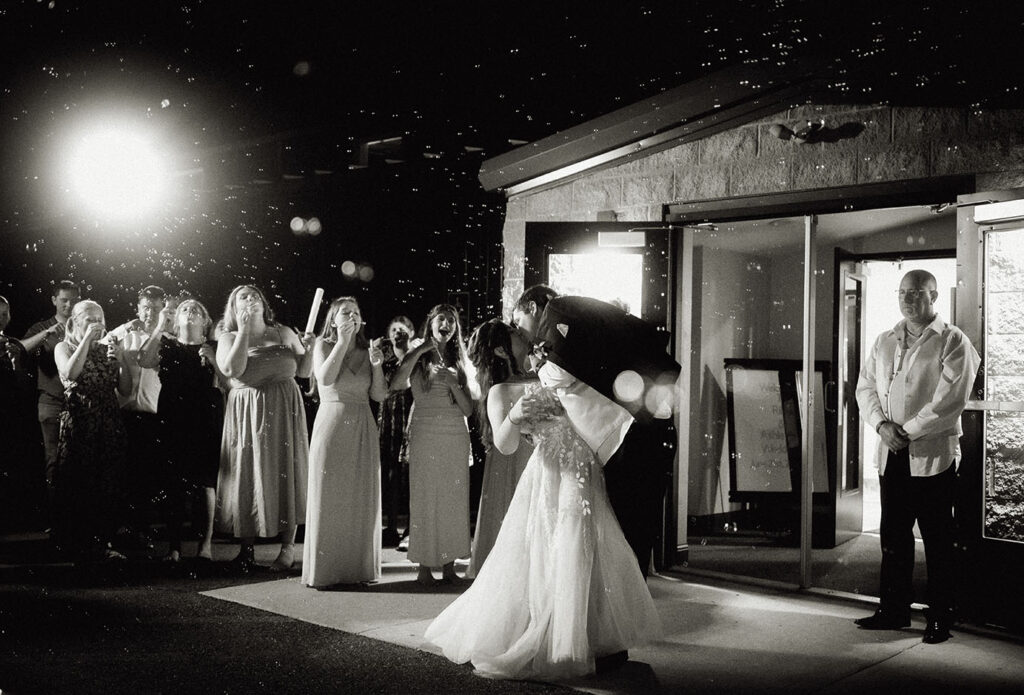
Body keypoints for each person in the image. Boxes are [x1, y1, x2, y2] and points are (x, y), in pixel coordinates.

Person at [423, 351, 660, 680]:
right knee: (546, 554)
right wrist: (516, 415)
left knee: (582, 553)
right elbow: (504, 445)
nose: (534, 349)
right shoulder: (502, 391)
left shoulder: (573, 381)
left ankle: (583, 640)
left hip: (586, 479)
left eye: (541, 345)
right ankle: (548, 639)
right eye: (527, 340)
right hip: (547, 479)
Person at [513, 285, 680, 580]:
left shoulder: (556, 314)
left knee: (628, 518)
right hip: (637, 428)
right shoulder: (576, 316)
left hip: (623, 434)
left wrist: (539, 365)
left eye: (518, 321)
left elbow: (562, 373)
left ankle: (628, 592)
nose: (521, 331)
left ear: (532, 307)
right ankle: (631, 586)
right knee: (637, 516)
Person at [854, 270, 980, 644]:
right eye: (904, 293)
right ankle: (893, 610)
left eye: (917, 293)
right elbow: (865, 388)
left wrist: (906, 431)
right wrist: (881, 426)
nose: (909, 300)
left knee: (938, 539)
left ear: (934, 296)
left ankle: (941, 617)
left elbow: (950, 400)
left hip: (932, 456)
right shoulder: (883, 341)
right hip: (892, 453)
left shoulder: (953, 341)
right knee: (893, 536)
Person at [215, 285, 314, 572]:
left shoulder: (282, 332)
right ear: (233, 308)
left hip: (284, 408)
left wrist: (308, 347)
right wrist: (244, 331)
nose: (250, 299)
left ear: (263, 303)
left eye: (255, 295)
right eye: (242, 297)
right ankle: (246, 549)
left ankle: (287, 549)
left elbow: (305, 371)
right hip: (247, 411)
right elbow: (231, 369)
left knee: (287, 469)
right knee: (249, 471)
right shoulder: (228, 337)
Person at [302, 297, 387, 588]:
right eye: (345, 313)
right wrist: (341, 341)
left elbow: (379, 396)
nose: (351, 316)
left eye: (356, 312)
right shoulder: (322, 345)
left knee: (359, 496)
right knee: (330, 494)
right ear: (334, 319)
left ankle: (356, 569)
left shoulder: (368, 350)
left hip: (361, 422)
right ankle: (327, 571)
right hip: (332, 423)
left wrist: (376, 366)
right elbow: (324, 379)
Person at [389, 304, 474, 585]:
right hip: (425, 432)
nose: (446, 323)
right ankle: (424, 567)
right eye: (442, 318)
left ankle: (449, 567)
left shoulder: (461, 360)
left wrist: (452, 382)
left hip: (454, 434)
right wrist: (419, 350)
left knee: (452, 499)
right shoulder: (418, 353)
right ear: (431, 322)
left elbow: (469, 410)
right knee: (425, 496)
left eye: (452, 320)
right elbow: (397, 383)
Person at [137, 298, 225, 562]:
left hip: (204, 416)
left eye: (197, 309)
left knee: (205, 482)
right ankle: (174, 547)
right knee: (172, 481)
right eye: (185, 309)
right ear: (176, 320)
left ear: (205, 322)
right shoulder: (167, 344)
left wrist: (214, 360)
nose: (190, 312)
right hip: (173, 415)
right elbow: (144, 359)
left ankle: (205, 545)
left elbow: (227, 382)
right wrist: (160, 325)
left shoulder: (215, 347)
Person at [52, 300, 132, 563]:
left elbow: (126, 390)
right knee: (79, 481)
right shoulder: (64, 347)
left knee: (106, 483)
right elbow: (70, 373)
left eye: (100, 318)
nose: (97, 323)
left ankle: (103, 542)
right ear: (75, 321)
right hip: (80, 419)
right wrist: (86, 339)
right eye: (89, 318)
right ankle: (75, 543)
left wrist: (122, 362)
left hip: (108, 419)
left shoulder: (106, 349)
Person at [464, 318, 535, 578]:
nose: (521, 333)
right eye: (514, 332)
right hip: (514, 458)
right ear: (501, 350)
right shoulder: (500, 390)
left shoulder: (538, 372)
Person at [108, 285, 170, 549]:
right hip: (122, 411)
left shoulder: (168, 337)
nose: (149, 313)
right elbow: (104, 346)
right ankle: (120, 530)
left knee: (147, 476)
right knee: (121, 474)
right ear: (138, 308)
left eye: (156, 308)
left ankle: (143, 531)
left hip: (153, 413)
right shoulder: (124, 332)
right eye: (146, 307)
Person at [22, 280, 80, 520]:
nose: (68, 305)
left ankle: (76, 518)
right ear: (54, 300)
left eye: (73, 300)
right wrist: (46, 334)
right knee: (54, 461)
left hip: (80, 404)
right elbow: (21, 350)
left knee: (79, 462)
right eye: (64, 300)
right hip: (52, 402)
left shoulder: (84, 327)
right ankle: (56, 518)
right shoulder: (43, 327)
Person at [0, 296, 44, 532]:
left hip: (8, 416)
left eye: (5, 313)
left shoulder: (12, 344)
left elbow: (25, 387)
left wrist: (17, 364)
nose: (2, 318)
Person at [378, 315, 416, 548]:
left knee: (410, 473)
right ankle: (390, 526)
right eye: (394, 330)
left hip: (410, 413)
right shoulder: (384, 356)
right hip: (390, 417)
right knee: (390, 473)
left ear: (410, 332)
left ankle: (412, 527)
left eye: (402, 329)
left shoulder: (416, 355)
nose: (397, 333)